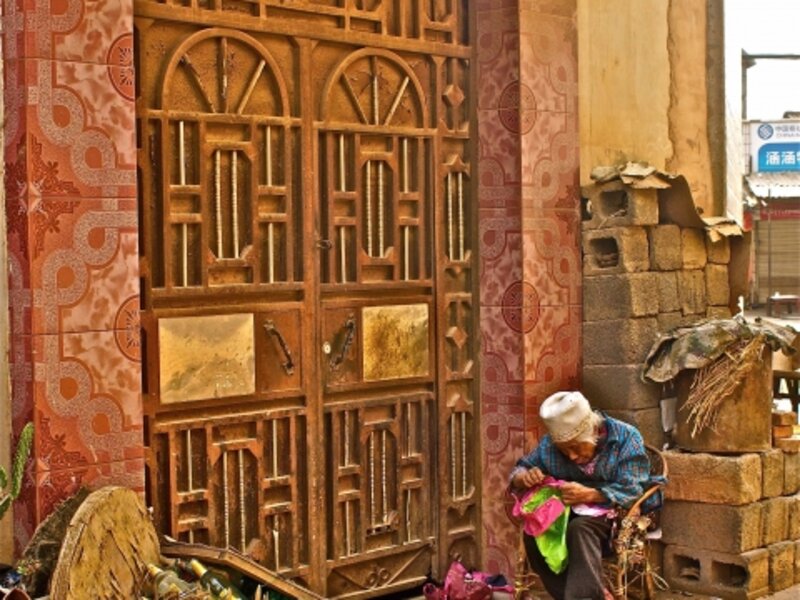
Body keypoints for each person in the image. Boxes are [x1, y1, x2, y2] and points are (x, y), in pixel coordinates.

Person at [509, 391, 663, 600]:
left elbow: (634, 489)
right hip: (568, 513)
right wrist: (524, 477)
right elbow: (520, 469)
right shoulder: (549, 446)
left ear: (594, 431)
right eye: (564, 451)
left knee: (580, 528)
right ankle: (590, 595)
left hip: (616, 515)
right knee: (534, 531)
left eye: (575, 446)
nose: (571, 456)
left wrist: (592, 494)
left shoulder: (625, 437)